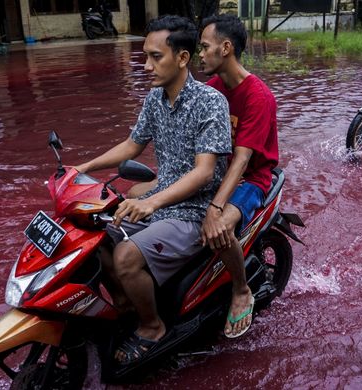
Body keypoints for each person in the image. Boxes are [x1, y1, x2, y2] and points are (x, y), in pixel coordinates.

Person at [74, 15, 231, 364]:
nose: (146, 66)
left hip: (195, 210)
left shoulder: (210, 102)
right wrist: (82, 168)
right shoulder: (154, 99)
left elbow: (204, 173)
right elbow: (132, 146)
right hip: (159, 202)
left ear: (183, 58)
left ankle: (152, 326)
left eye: (155, 57)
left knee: (126, 258)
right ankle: (128, 303)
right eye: (145, 56)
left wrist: (151, 201)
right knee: (95, 236)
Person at [198, 14, 279, 338]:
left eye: (205, 47)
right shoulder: (212, 89)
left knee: (219, 228)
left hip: (251, 179)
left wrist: (216, 208)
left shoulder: (258, 97)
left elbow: (243, 159)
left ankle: (241, 288)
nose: (200, 54)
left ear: (226, 48)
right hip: (217, 172)